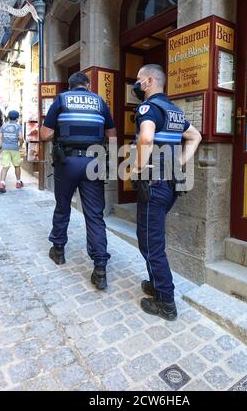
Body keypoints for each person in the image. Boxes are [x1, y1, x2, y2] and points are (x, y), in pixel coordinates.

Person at [131, 64, 202, 321]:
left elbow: (146, 139)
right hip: (170, 183)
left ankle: (166, 302)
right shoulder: (173, 110)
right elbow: (195, 137)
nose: (136, 85)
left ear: (149, 81)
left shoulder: (148, 108)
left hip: (154, 183)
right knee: (150, 237)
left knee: (151, 244)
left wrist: (138, 168)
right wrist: (179, 162)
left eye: (139, 80)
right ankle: (156, 283)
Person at [40, 71, 116, 290]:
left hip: (67, 162)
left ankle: (58, 251)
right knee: (94, 215)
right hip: (93, 162)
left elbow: (45, 134)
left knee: (63, 206)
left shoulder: (62, 99)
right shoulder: (100, 102)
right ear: (88, 85)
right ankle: (100, 268)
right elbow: (112, 135)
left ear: (71, 86)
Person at [0, 110, 24, 193]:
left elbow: (0, 136)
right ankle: (18, 182)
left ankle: (2, 183)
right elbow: (20, 137)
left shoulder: (4, 126)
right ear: (17, 118)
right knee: (17, 165)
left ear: (8, 117)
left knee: (5, 166)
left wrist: (1, 145)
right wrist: (20, 144)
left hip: (5, 148)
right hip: (14, 148)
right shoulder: (18, 126)